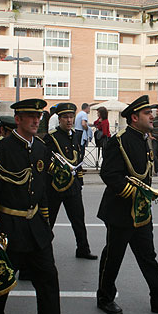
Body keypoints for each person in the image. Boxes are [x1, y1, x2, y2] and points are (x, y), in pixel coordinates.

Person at [0, 98, 74, 314]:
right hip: (8, 227)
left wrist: (44, 221)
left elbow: (41, 190)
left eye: (38, 117)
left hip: (34, 228)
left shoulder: (41, 148)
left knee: (49, 281)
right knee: (1, 284)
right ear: (17, 119)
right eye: (30, 116)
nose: (35, 121)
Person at [96, 95, 158, 314]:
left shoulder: (143, 139)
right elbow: (109, 174)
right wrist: (135, 194)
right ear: (135, 117)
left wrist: (144, 197)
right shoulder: (120, 140)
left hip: (141, 211)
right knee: (113, 256)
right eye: (147, 113)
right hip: (120, 210)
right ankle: (105, 298)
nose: (152, 116)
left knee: (148, 255)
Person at [44, 102, 97, 260]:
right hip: (55, 187)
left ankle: (83, 249)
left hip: (72, 187)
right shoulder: (51, 138)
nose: (69, 120)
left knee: (78, 220)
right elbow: (47, 162)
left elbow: (78, 160)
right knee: (48, 222)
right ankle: (43, 252)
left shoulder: (75, 135)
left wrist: (79, 182)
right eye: (65, 117)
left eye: (71, 117)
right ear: (59, 119)